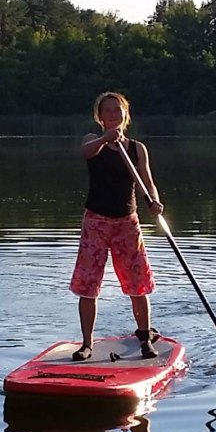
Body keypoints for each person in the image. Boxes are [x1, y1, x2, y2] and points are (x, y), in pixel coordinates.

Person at [69, 92, 165, 361]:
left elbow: (147, 181)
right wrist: (105, 139)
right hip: (96, 222)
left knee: (138, 284)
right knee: (88, 285)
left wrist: (154, 201)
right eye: (107, 111)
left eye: (117, 110)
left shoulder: (137, 148)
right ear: (100, 117)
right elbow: (86, 152)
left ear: (125, 115)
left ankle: (144, 337)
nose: (113, 114)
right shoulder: (92, 141)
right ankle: (87, 344)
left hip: (127, 223)